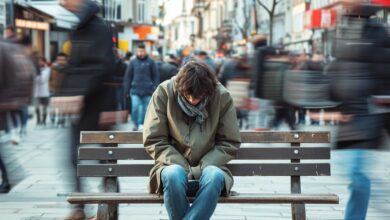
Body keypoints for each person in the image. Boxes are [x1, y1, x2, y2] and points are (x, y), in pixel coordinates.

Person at [143, 61, 241, 220]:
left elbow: (229, 142)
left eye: (198, 96)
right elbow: (154, 139)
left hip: (211, 166)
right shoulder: (164, 92)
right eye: (187, 95)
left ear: (208, 91)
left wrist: (202, 166)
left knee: (214, 175)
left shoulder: (221, 96)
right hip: (170, 165)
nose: (192, 100)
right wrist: (183, 166)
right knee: (174, 174)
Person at [59, 0, 116, 219]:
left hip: (100, 108)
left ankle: (110, 209)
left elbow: (103, 67)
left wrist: (78, 93)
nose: (62, 2)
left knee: (106, 163)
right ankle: (80, 208)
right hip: (82, 107)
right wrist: (64, 95)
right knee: (73, 157)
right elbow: (73, 67)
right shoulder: (79, 28)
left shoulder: (98, 27)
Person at [123, 44, 159, 131]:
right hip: (135, 89)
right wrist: (126, 90)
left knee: (145, 109)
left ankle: (142, 123)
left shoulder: (151, 62)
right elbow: (128, 77)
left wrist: (155, 87)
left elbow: (155, 76)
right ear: (136, 52)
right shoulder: (133, 62)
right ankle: (135, 124)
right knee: (135, 107)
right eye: (138, 51)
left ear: (145, 51)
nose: (140, 53)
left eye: (141, 51)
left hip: (148, 90)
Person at [49, 53, 68, 126]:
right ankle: (52, 117)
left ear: (66, 60)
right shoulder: (53, 68)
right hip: (54, 89)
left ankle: (61, 120)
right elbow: (49, 78)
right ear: (56, 60)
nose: (61, 61)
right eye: (59, 59)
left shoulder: (68, 69)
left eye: (63, 59)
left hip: (64, 90)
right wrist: (50, 87)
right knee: (53, 105)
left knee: (63, 106)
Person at [34, 57, 51, 126]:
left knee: (44, 107)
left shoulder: (47, 69)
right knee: (37, 107)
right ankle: (38, 120)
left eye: (41, 61)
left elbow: (42, 80)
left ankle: (44, 120)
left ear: (44, 62)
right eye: (39, 61)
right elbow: (33, 79)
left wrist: (37, 75)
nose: (40, 63)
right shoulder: (35, 69)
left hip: (44, 92)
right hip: (36, 92)